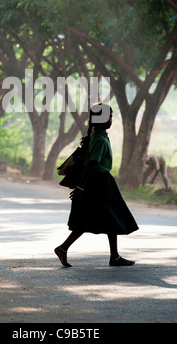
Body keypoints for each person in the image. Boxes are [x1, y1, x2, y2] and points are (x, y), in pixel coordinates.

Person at [54, 102, 139, 268]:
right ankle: (64, 248)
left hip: (100, 182)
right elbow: (92, 165)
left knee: (104, 219)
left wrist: (81, 187)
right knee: (102, 218)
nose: (111, 120)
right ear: (101, 119)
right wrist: (80, 188)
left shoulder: (97, 135)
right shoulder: (99, 139)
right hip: (99, 183)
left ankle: (112, 256)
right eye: (109, 116)